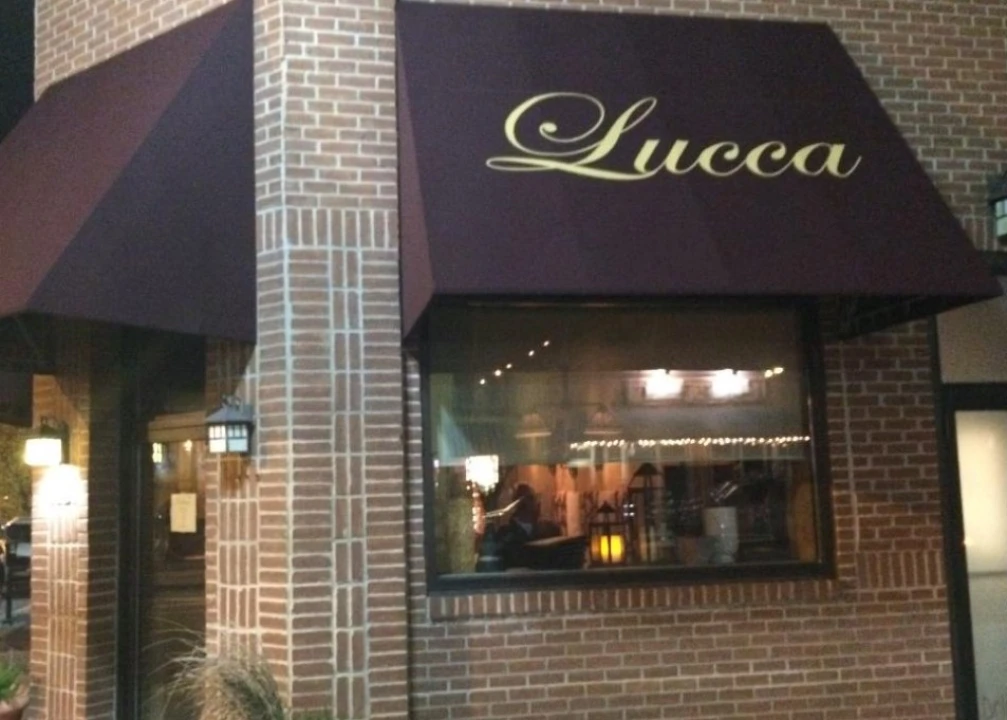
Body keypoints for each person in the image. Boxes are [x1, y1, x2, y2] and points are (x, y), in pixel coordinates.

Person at [497, 484, 561, 569]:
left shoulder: (550, 530)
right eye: (530, 498)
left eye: (533, 498)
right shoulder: (505, 534)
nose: (538, 503)